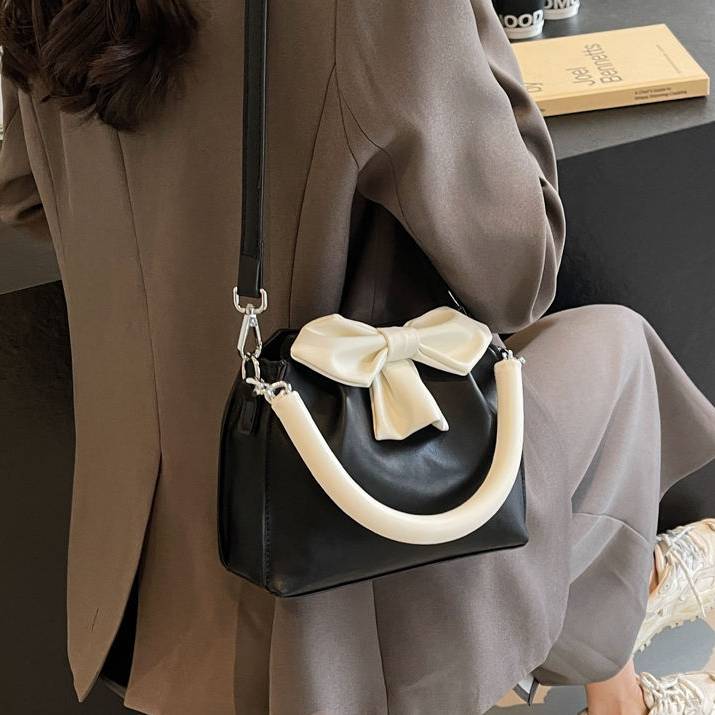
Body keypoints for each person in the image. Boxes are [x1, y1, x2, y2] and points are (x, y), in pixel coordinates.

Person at [1, 1, 714, 713]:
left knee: (592, 373)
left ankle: (619, 660)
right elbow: (520, 272)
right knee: (617, 353)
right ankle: (625, 623)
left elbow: (24, 193)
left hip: (140, 566)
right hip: (332, 550)